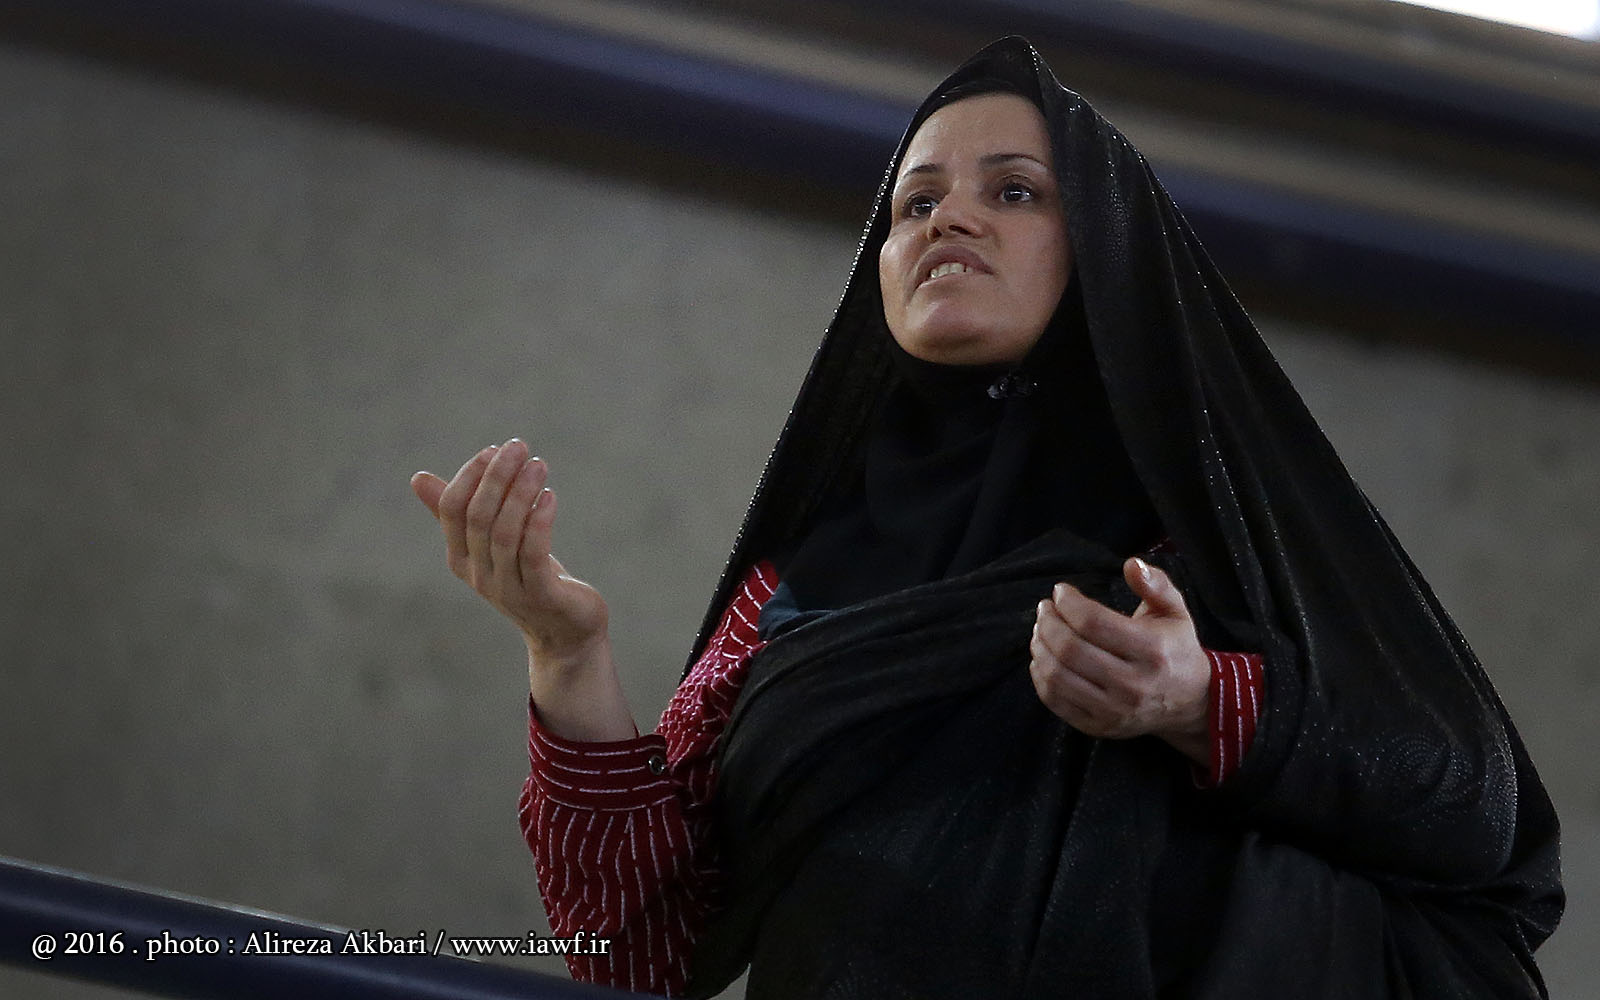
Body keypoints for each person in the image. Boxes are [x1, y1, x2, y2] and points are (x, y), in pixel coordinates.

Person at [411, 36, 1562, 1000]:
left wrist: (1198, 700)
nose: (948, 220)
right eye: (915, 203)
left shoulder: (1225, 531)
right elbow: (639, 957)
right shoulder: (796, 586)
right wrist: (566, 656)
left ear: (1106, 244)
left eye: (1013, 191)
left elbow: (1471, 813)